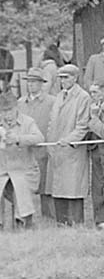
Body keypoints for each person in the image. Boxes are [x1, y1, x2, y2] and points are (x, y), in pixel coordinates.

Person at [47, 64, 90, 225]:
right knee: (58, 188)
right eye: (61, 78)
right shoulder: (59, 96)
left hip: (73, 150)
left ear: (75, 78)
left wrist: (68, 140)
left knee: (74, 189)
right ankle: (61, 224)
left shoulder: (83, 97)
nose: (63, 81)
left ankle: (77, 223)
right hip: (57, 149)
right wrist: (51, 144)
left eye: (66, 77)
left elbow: (83, 125)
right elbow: (52, 123)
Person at [0, 92, 44, 228]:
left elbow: (39, 138)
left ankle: (24, 223)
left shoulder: (27, 121)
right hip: (3, 170)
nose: (7, 114)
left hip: (25, 169)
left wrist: (19, 139)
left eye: (10, 110)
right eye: (3, 111)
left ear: (16, 108)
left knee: (21, 186)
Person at [18, 67, 56, 219]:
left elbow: (54, 124)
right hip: (25, 150)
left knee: (46, 186)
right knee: (23, 186)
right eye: (29, 82)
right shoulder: (21, 102)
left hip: (44, 149)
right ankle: (24, 219)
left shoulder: (51, 102)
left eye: (34, 82)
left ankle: (49, 218)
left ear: (42, 84)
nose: (31, 85)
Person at [86, 81, 104, 225]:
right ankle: (101, 220)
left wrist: (94, 118)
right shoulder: (94, 106)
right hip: (97, 150)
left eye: (95, 92)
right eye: (91, 93)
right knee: (99, 186)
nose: (92, 96)